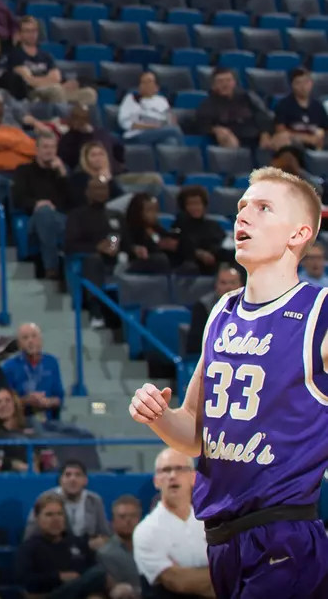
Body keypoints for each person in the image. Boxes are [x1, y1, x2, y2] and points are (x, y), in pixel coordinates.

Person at [130, 165, 328, 596]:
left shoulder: (319, 311)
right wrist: (159, 416)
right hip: (221, 539)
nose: (243, 216)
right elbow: (195, 437)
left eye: (262, 208)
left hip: (282, 534)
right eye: (241, 207)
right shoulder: (221, 313)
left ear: (298, 234)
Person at [131, 447, 211, 599]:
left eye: (180, 469)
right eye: (166, 470)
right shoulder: (146, 530)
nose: (173, 475)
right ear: (156, 481)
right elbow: (177, 581)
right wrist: (221, 580)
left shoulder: (210, 523)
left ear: (194, 477)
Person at [16, 491, 106, 599]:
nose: (56, 519)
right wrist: (59, 577)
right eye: (49, 514)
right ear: (38, 518)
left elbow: (91, 571)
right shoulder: (29, 547)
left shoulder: (77, 543)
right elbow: (25, 579)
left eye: (59, 514)